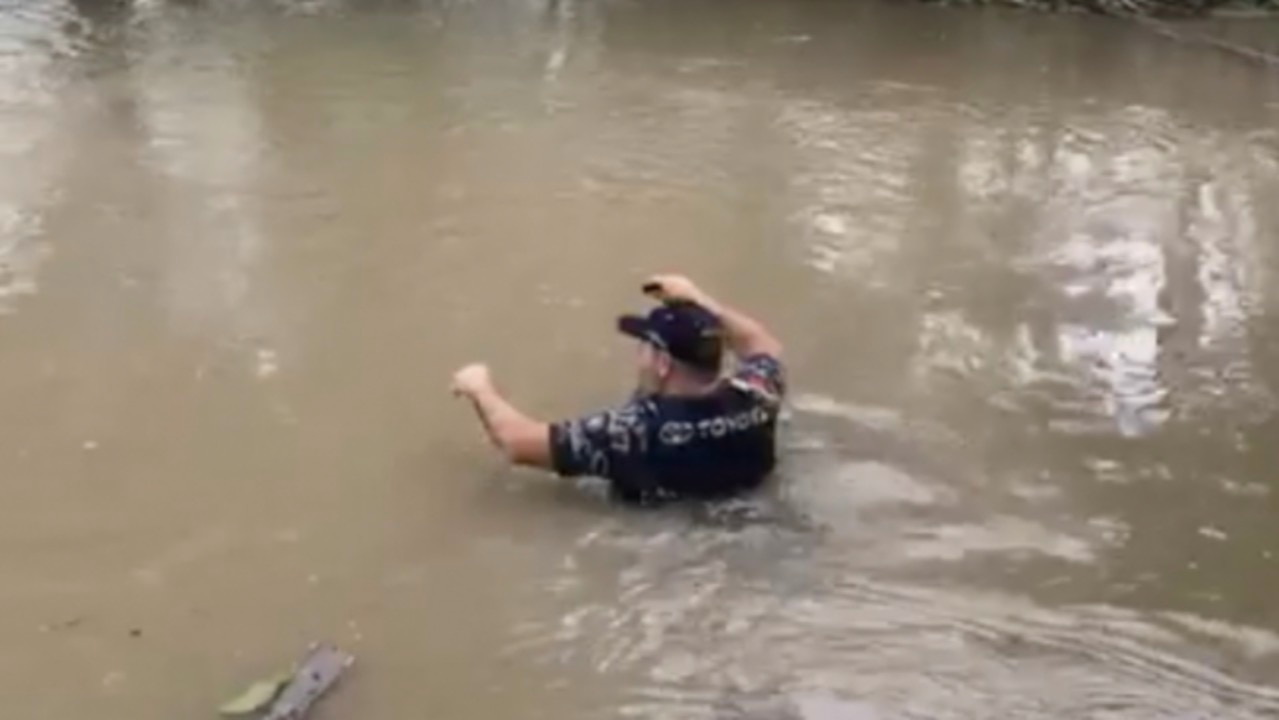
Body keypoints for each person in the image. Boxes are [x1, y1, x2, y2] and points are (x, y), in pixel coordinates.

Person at [451, 274, 786, 504]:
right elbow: (761, 343)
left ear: (662, 364)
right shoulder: (757, 397)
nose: (637, 357)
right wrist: (699, 300)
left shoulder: (631, 433)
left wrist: (479, 387)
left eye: (643, 347)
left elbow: (516, 442)